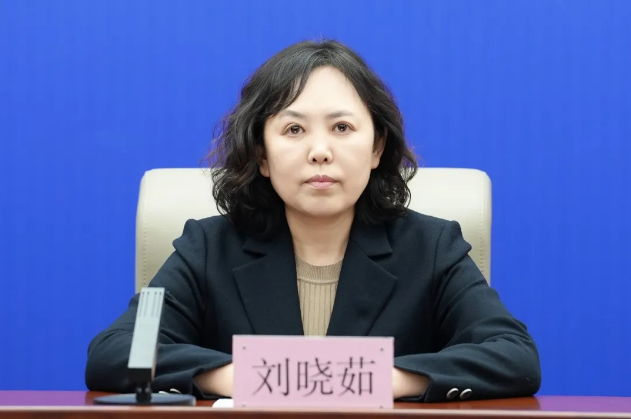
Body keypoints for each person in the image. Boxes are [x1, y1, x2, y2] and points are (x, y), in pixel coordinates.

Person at [85, 39, 541, 402]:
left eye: (342, 128)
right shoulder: (207, 247)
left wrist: (373, 380)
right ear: (262, 155)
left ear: (377, 147)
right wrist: (249, 377)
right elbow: (115, 353)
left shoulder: (432, 246)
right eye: (294, 129)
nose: (319, 151)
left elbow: (514, 357)